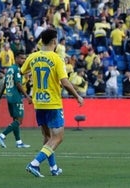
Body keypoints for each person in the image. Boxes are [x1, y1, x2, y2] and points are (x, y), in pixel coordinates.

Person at [21, 29, 84, 177]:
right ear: (54, 42)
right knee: (58, 137)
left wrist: (32, 74)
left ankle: (53, 168)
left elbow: (23, 71)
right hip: (53, 103)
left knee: (48, 137)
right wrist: (77, 96)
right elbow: (65, 83)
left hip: (39, 103)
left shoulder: (32, 56)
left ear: (41, 41)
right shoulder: (56, 59)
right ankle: (34, 163)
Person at [0, 50, 32, 148]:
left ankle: (18, 142)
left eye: (24, 58)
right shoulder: (16, 70)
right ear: (16, 58)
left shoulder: (10, 69)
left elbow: (5, 84)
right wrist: (27, 96)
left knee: (15, 119)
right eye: (21, 58)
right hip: (16, 97)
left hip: (9, 97)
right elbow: (18, 84)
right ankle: (2, 135)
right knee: (19, 120)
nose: (23, 60)